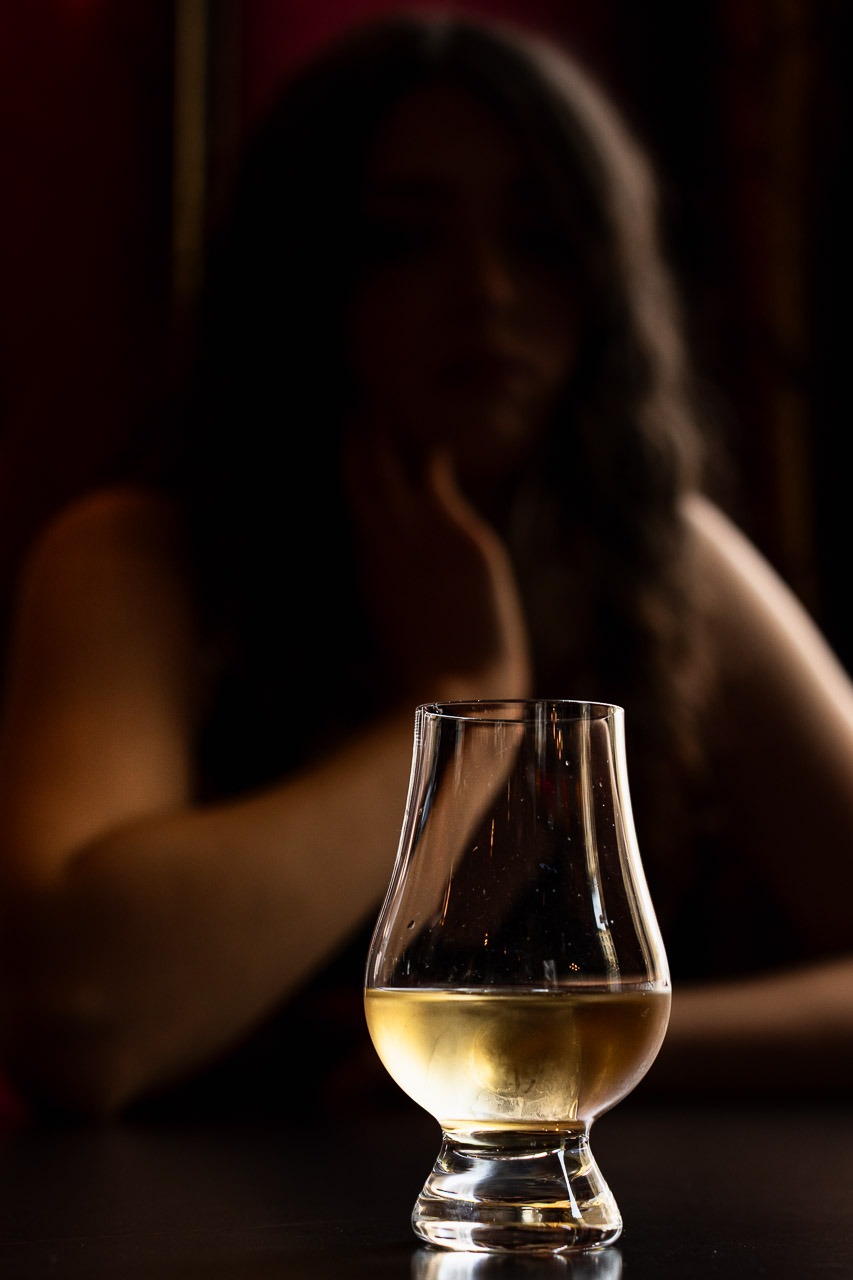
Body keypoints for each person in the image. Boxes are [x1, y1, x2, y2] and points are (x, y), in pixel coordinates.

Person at [0, 7, 851, 1122]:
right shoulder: (141, 558)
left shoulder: (657, 559)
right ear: (305, 275)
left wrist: (556, 1048)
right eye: (403, 239)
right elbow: (82, 1017)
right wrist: (459, 694)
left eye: (540, 237)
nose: (485, 290)